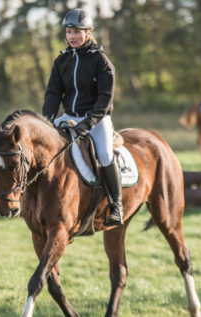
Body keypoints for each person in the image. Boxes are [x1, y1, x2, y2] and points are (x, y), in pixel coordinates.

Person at [42, 8, 124, 226]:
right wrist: (47, 122)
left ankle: (116, 204)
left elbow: (104, 101)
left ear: (88, 33)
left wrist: (87, 124)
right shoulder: (61, 61)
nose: (72, 36)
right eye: (69, 32)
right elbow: (53, 93)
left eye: (77, 32)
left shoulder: (102, 62)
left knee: (106, 154)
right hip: (68, 116)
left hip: (97, 119)